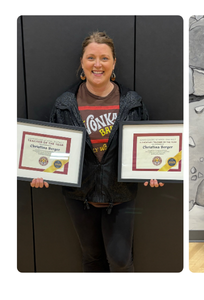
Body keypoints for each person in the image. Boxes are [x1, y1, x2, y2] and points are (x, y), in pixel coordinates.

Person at [30, 31, 161, 272]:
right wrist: (42, 172)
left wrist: (153, 171)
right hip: (80, 196)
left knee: (121, 260)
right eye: (91, 58)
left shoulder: (132, 102)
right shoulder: (65, 103)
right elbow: (55, 150)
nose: (97, 65)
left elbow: (145, 148)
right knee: (92, 258)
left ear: (114, 62)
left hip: (120, 195)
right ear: (82, 62)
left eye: (104, 58)